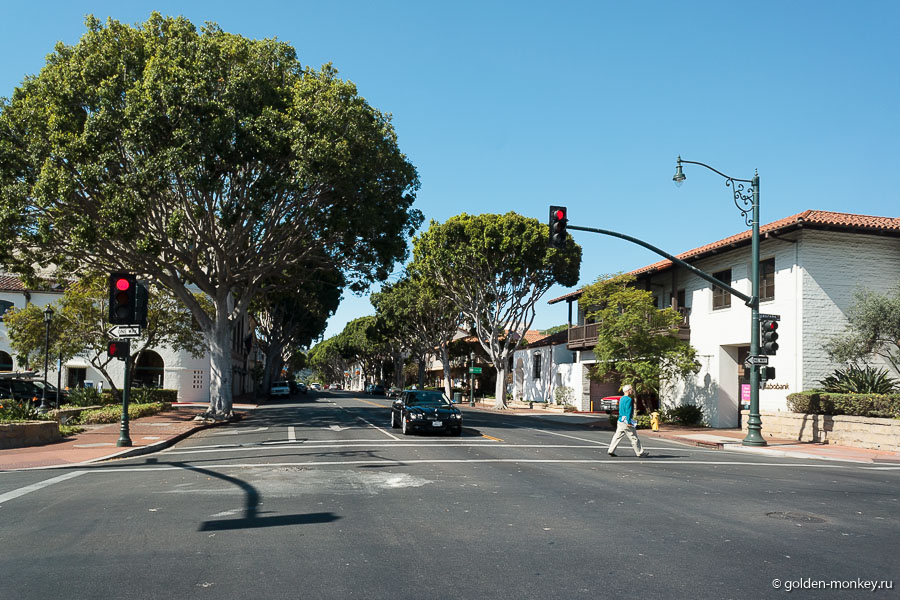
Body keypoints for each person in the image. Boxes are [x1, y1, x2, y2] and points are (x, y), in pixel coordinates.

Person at [607, 384, 649, 458]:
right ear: (628, 391)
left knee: (617, 436)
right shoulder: (629, 399)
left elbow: (621, 410)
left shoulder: (622, 399)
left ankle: (611, 450)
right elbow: (628, 411)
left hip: (620, 420)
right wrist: (629, 422)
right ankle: (640, 453)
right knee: (634, 437)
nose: (632, 391)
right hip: (626, 421)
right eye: (631, 389)